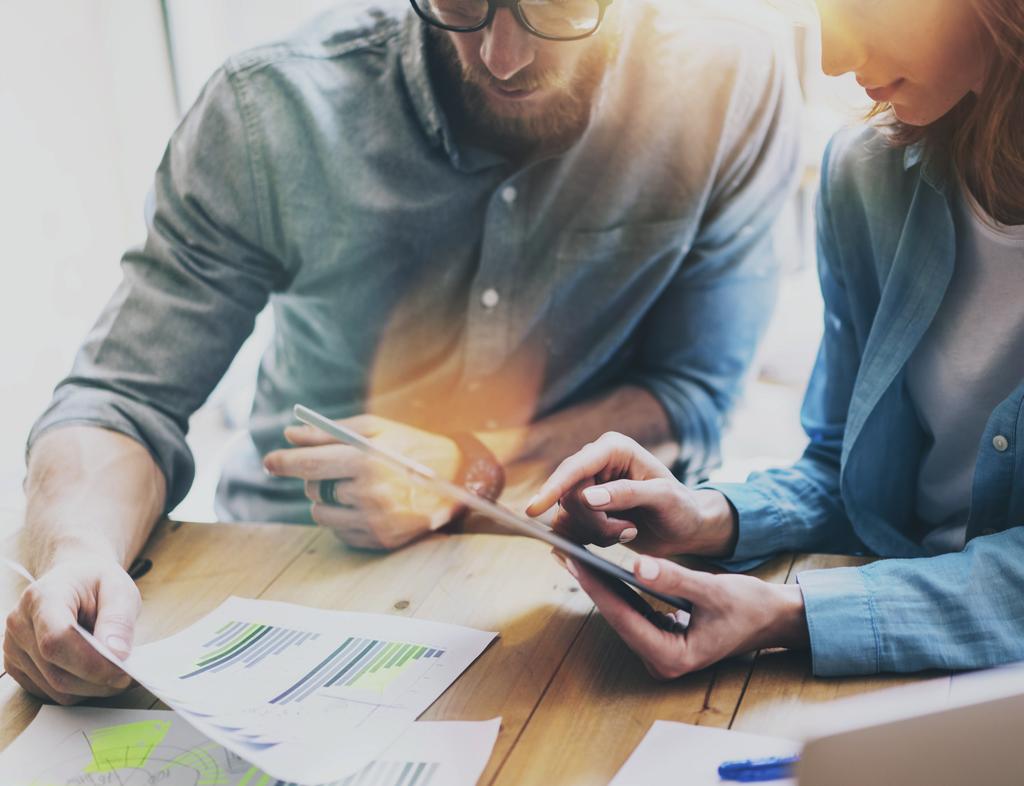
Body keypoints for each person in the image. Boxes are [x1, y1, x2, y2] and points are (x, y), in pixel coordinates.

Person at [4, 0, 799, 703]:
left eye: (554, 4)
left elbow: (692, 393)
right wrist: (77, 547)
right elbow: (120, 399)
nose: (503, 55)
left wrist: (467, 469)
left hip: (570, 588)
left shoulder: (731, 79)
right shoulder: (270, 109)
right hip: (290, 577)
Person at [529, 0, 1024, 678]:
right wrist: (708, 515)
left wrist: (790, 614)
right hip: (898, 655)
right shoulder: (866, 176)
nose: (832, 59)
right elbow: (846, 470)